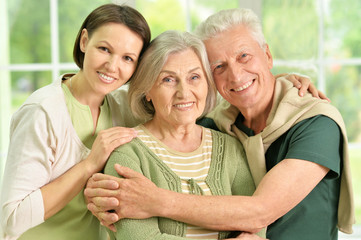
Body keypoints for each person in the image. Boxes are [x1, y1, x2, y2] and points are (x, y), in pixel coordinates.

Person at [85, 8, 355, 240]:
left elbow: (259, 212)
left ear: (268, 56)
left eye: (244, 56)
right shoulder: (222, 124)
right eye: (219, 66)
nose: (236, 75)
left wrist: (154, 201)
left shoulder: (315, 124)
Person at [0, 4, 150, 240]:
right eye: (104, 48)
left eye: (127, 58)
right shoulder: (43, 112)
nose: (112, 66)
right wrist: (90, 163)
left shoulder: (125, 108)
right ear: (83, 41)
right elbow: (11, 218)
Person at [103, 29, 267, 240]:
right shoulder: (127, 154)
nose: (184, 92)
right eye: (168, 80)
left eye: (194, 77)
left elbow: (254, 222)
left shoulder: (229, 148)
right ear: (147, 91)